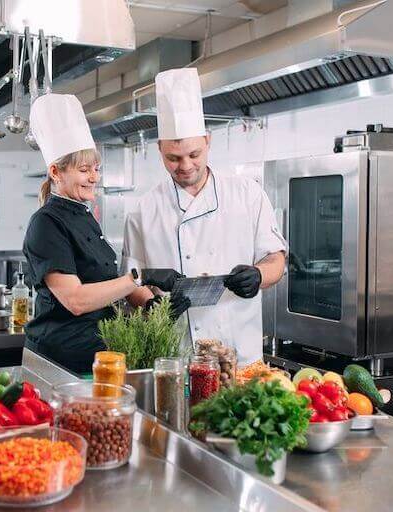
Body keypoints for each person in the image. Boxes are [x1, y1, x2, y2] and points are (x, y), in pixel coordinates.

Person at [122, 68, 287, 364]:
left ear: (208, 141)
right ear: (159, 149)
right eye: (173, 158)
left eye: (194, 154)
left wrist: (259, 275)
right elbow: (131, 282)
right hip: (176, 358)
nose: (185, 165)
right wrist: (151, 305)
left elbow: (276, 259)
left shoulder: (248, 194)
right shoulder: (143, 211)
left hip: (240, 358)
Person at [22, 93, 183, 374]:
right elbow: (76, 300)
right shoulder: (45, 224)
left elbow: (107, 281)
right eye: (84, 170)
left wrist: (152, 305)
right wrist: (140, 278)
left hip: (100, 357)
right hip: (61, 363)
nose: (95, 177)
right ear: (56, 172)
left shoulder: (85, 216)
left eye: (96, 169)